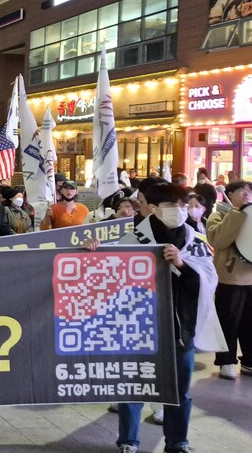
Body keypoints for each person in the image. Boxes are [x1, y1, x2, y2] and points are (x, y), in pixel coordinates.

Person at [88, 183, 224, 453]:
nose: (180, 211)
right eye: (172, 206)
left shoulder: (195, 242)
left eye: (184, 205)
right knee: (134, 385)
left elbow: (208, 283)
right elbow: (109, 281)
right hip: (138, 329)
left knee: (179, 390)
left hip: (179, 329)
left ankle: (177, 442)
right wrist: (94, 253)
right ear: (152, 208)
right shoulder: (132, 240)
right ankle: (128, 440)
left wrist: (181, 266)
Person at [206, 180, 252, 380]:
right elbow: (219, 240)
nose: (247, 195)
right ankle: (226, 361)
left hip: (250, 277)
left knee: (250, 323)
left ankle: (249, 361)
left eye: (250, 191)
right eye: (243, 191)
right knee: (228, 322)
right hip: (230, 278)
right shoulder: (219, 215)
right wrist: (237, 213)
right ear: (230, 194)